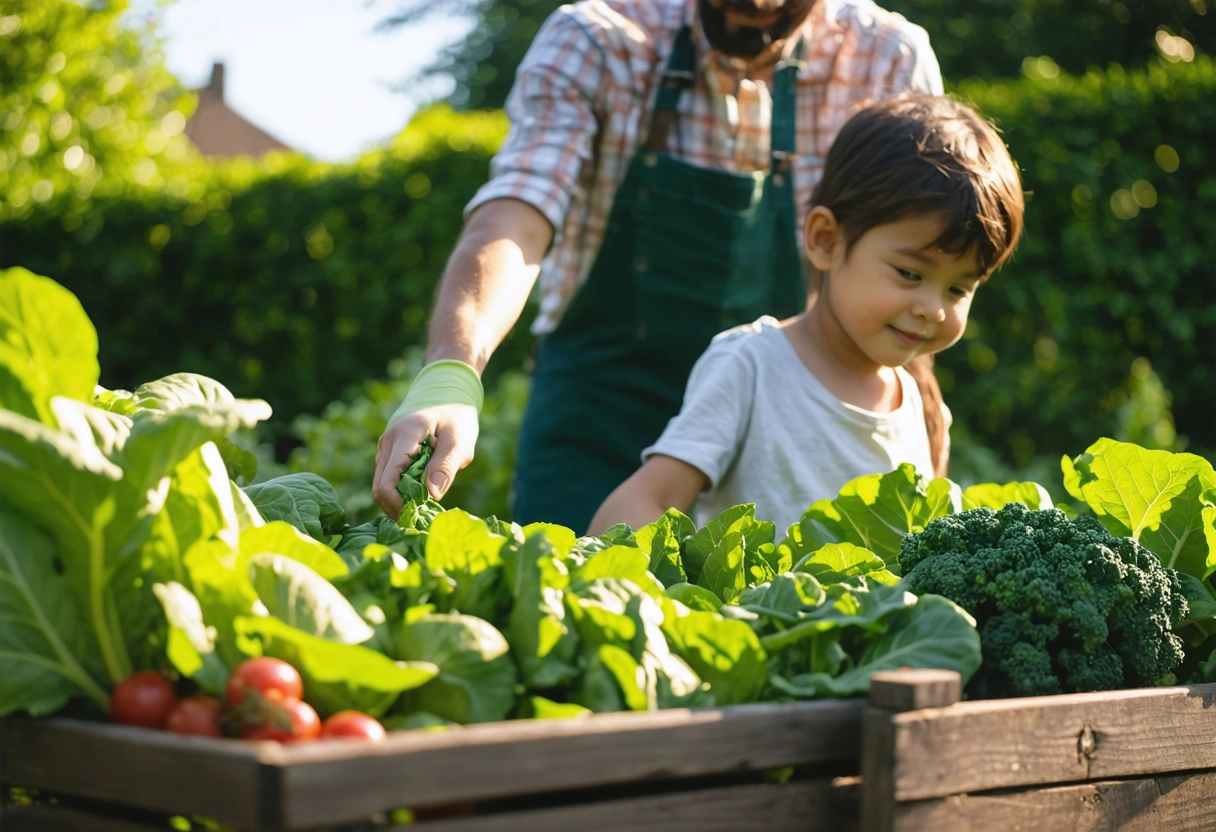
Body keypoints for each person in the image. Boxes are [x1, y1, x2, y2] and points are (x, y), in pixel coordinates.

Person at [373, 0, 947, 532]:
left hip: (778, 416)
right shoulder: (598, 40)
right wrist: (451, 375)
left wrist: (917, 393)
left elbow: (919, 249)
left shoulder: (886, 59)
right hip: (598, 409)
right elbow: (516, 216)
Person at [588, 93, 1025, 535]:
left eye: (958, 288)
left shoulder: (920, 406)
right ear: (825, 241)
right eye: (910, 273)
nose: (933, 309)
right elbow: (653, 497)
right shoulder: (752, 366)